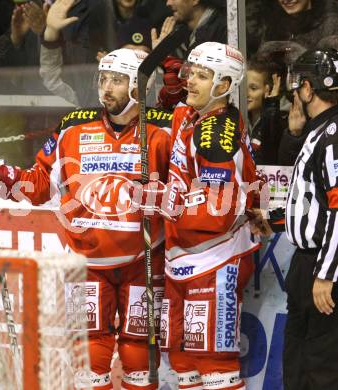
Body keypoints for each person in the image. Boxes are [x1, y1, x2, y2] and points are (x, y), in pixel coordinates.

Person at [0, 48, 172, 389]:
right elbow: (38, 185)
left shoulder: (164, 129)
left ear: (139, 86)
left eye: (117, 81)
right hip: (86, 262)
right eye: (103, 78)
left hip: (145, 259)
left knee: (139, 352)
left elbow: (192, 181)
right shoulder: (73, 127)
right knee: (89, 353)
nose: (106, 88)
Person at [139, 42, 262, 389]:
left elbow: (217, 212)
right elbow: (174, 111)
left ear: (224, 86)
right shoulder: (194, 116)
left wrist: (165, 202)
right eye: (190, 73)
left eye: (202, 76)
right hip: (184, 259)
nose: (190, 81)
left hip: (214, 259)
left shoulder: (217, 136)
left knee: (212, 364)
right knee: (182, 359)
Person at [283, 48, 338, 390]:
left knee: (320, 366)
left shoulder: (333, 135)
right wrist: (275, 219)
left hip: (323, 266)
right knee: (298, 359)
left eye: (297, 87)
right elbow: (313, 199)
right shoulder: (319, 131)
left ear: (307, 88)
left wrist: (326, 273)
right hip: (308, 265)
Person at [247, 57, 287, 164]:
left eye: (253, 88)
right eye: (242, 87)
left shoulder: (281, 121)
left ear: (267, 89)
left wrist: (271, 107)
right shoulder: (236, 118)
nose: (246, 94)